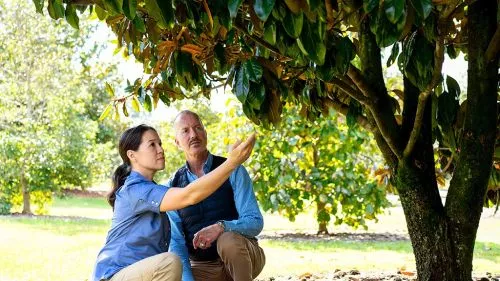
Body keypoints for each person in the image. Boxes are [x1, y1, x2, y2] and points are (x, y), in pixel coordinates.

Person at [91, 124, 256, 281]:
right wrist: (231, 163)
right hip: (115, 275)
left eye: (160, 144)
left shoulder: (154, 191)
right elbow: (190, 195)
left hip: (142, 274)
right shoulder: (136, 190)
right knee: (170, 263)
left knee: (171, 264)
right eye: (152, 145)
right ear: (132, 155)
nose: (160, 149)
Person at [166, 110, 266, 281]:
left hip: (244, 257)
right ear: (177, 142)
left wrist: (221, 227)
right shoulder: (172, 186)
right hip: (204, 268)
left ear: (205, 133)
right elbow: (176, 242)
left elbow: (255, 222)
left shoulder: (233, 170)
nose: (193, 135)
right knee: (167, 273)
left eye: (198, 128)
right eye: (185, 131)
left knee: (227, 240)